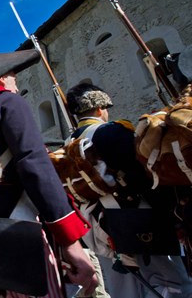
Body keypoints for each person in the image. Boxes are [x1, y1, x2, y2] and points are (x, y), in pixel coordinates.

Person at [0, 50, 98, 297]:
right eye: (13, 78)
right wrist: (70, 241)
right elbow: (34, 165)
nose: (16, 86)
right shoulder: (7, 102)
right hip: (19, 233)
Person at [66, 82, 192, 298]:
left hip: (100, 225)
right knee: (174, 284)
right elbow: (145, 176)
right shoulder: (113, 131)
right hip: (138, 217)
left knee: (125, 291)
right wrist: (173, 215)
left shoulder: (68, 142)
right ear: (100, 109)